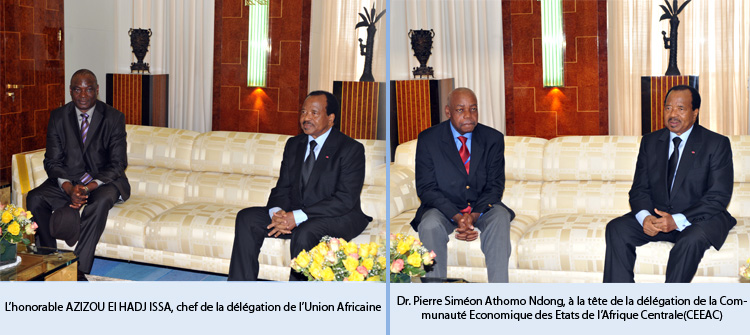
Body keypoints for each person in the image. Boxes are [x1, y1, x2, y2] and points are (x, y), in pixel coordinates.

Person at [228, 91, 371, 281]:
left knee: (305, 232)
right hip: (296, 212)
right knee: (247, 218)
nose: (306, 118)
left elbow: (344, 199)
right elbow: (283, 187)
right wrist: (277, 213)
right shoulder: (294, 144)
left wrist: (297, 216)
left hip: (338, 216)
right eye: (303, 112)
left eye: (314, 113)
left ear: (331, 118)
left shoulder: (350, 149)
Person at [603, 85, 735, 283]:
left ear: (695, 113)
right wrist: (645, 217)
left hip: (699, 219)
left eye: (681, 109)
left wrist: (677, 220)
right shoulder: (650, 142)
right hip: (659, 215)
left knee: (690, 241)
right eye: (668, 108)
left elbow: (718, 196)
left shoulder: (716, 144)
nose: (673, 114)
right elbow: (639, 189)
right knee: (617, 228)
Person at [26, 69, 130, 281]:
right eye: (77, 89)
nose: (83, 95)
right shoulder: (58, 116)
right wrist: (67, 187)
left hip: (102, 181)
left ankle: (78, 269)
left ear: (97, 90)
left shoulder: (113, 117)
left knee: (99, 203)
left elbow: (118, 164)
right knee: (35, 197)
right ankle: (49, 260)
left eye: (89, 89)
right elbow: (52, 161)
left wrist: (88, 187)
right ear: (71, 91)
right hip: (68, 180)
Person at [411, 87, 515, 283]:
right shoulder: (429, 139)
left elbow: (495, 185)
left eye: (473, 109)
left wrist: (473, 216)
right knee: (430, 225)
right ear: (448, 111)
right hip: (442, 208)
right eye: (460, 110)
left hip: (482, 206)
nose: (468, 116)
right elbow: (426, 188)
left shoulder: (492, 138)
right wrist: (457, 216)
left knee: (500, 217)